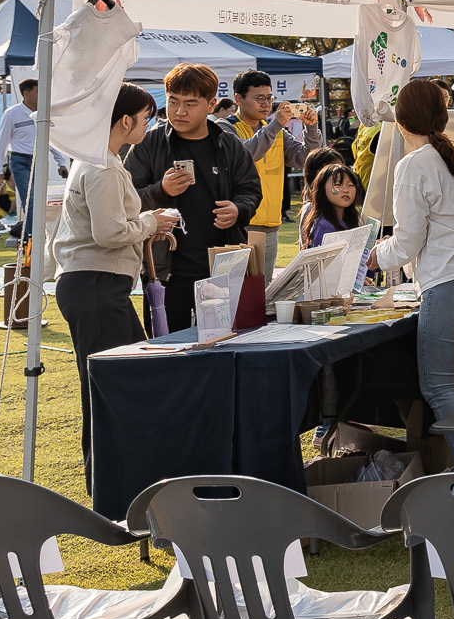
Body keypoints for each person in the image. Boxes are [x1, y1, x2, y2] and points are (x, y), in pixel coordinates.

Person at [53, 85, 180, 482]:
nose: (149, 124)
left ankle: (119, 475)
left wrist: (147, 224)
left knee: (121, 380)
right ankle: (110, 480)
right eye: (146, 118)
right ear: (125, 120)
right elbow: (109, 233)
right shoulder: (102, 165)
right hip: (95, 283)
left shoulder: (99, 160)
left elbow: (110, 226)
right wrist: (150, 223)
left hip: (97, 283)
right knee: (109, 386)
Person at [368, 78, 454, 422]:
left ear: (400, 120)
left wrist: (375, 255)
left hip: (452, 283)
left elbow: (409, 240)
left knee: (440, 389)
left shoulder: (414, 165)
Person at [122, 63, 261, 333]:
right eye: (173, 101)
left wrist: (239, 209)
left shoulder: (227, 143)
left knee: (224, 344)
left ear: (210, 105)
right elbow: (126, 200)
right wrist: (160, 191)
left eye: (190, 103)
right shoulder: (148, 143)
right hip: (165, 270)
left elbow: (251, 189)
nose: (179, 111)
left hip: (221, 267)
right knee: (168, 350)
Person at [231, 71, 310, 272]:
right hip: (240, 225)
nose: (266, 104)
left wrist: (312, 129)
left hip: (271, 225)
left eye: (269, 98)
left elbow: (305, 158)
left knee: (262, 294)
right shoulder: (225, 127)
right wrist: (275, 126)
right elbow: (244, 155)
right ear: (238, 99)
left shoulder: (276, 131)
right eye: (259, 98)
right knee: (237, 293)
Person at [0, 78, 45, 241]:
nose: (41, 95)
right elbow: (1, 143)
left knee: (40, 200)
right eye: (37, 91)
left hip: (40, 159)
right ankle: (31, 238)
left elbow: (49, 139)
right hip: (20, 160)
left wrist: (61, 161)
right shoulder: (12, 114)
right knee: (31, 200)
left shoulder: (43, 112)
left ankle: (35, 235)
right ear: (26, 93)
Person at [302, 162, 364, 249]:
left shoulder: (348, 220)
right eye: (338, 185)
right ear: (322, 189)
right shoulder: (325, 227)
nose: (346, 190)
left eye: (350, 185)